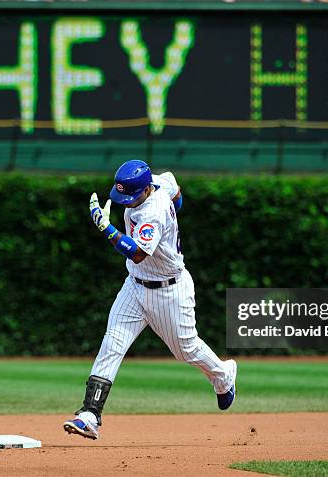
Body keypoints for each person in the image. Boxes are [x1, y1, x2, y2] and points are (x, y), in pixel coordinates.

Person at [63, 160, 237, 440]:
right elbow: (177, 195)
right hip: (134, 285)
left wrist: (106, 228)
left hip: (170, 290)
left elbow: (138, 253)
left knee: (186, 350)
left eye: (131, 197)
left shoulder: (153, 212)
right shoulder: (160, 180)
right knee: (113, 343)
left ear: (145, 190)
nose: (127, 203)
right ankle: (90, 413)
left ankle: (223, 375)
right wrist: (174, 209)